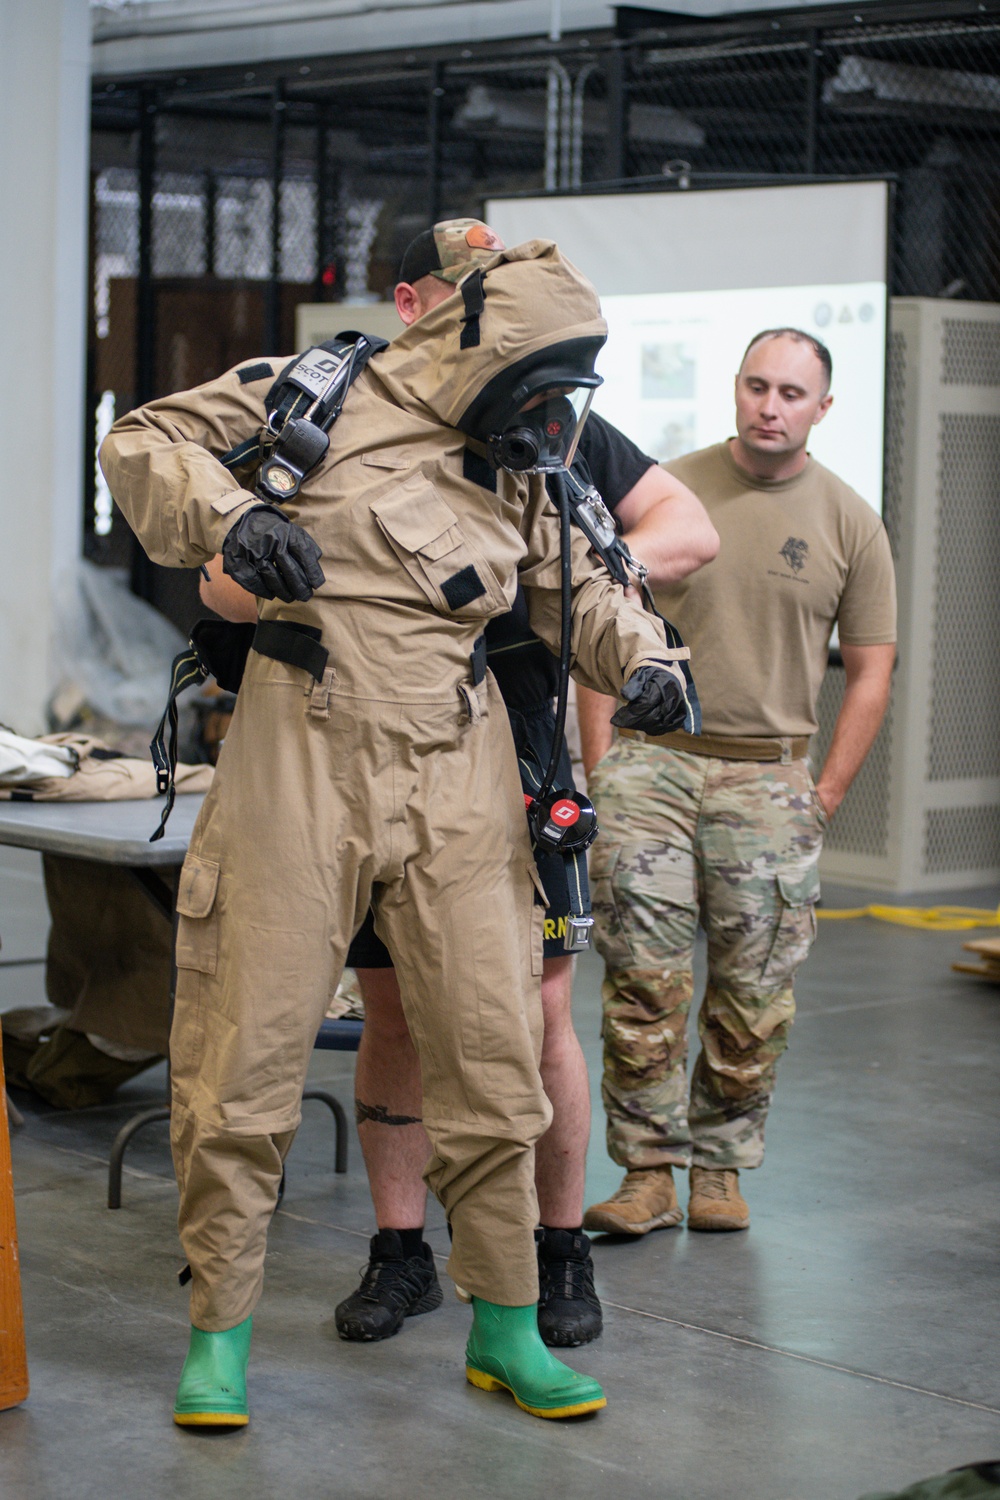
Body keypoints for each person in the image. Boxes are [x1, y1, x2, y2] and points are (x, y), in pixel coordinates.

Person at [99, 225, 693, 1427]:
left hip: (460, 764)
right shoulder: (314, 391)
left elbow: (577, 581)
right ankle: (220, 1334)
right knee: (242, 1058)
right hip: (297, 747)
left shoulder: (518, 461)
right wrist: (226, 522)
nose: (548, 410)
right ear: (475, 344)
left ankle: (508, 1328)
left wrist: (647, 662)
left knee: (489, 1053)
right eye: (535, 383)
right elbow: (141, 436)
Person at [579, 327, 896, 1238]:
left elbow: (872, 668)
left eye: (792, 393)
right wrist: (605, 767)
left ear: (822, 409)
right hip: (654, 766)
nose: (771, 405)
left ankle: (719, 1168)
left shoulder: (848, 519)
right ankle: (645, 1172)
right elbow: (599, 634)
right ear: (734, 389)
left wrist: (823, 793)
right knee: (643, 979)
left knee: (755, 995)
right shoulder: (666, 493)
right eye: (758, 385)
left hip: (770, 781)